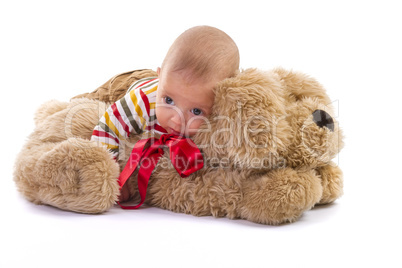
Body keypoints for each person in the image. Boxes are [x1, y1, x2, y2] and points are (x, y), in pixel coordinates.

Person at [91, 25, 240, 201]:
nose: (177, 120)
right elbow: (108, 127)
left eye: (196, 111)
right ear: (161, 77)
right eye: (168, 101)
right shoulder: (144, 101)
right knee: (96, 100)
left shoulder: (221, 116)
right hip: (128, 85)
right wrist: (111, 172)